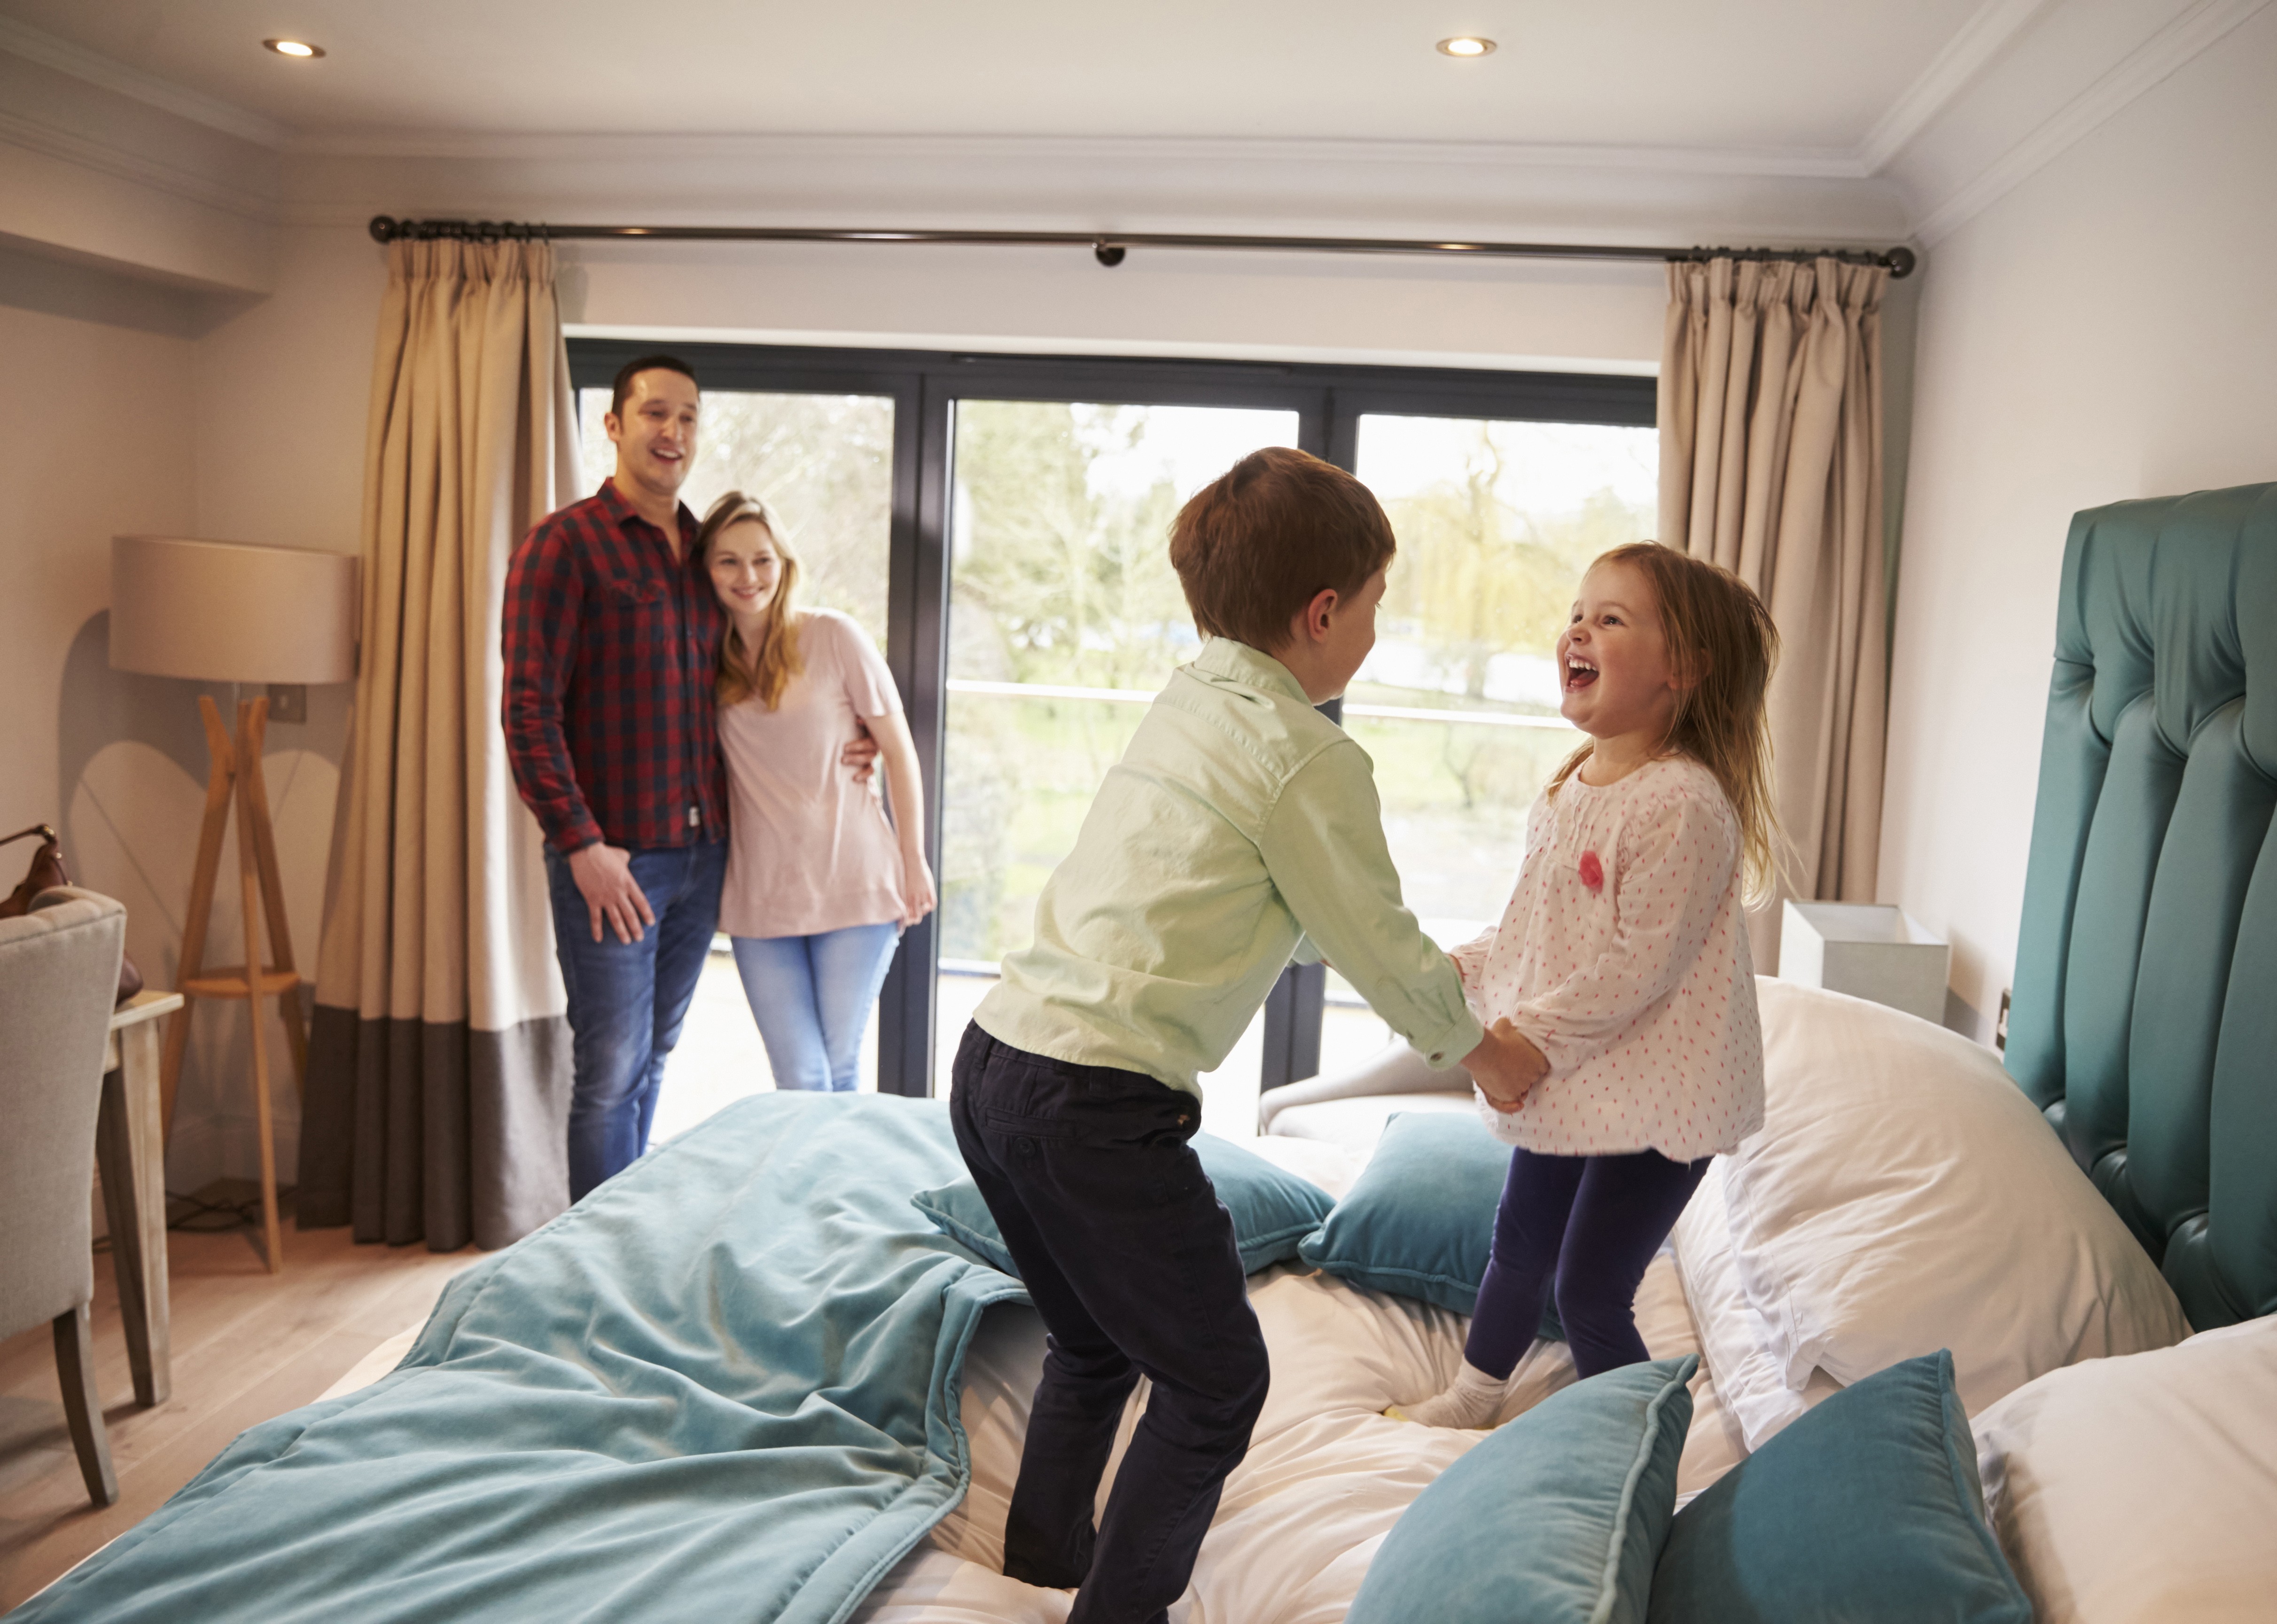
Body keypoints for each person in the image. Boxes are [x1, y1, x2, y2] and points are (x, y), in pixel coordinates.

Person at [949, 446, 1548, 1624]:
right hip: (1092, 1106)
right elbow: (1372, 941)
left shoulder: (1190, 703)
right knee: (1219, 1378)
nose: (1378, 629)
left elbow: (1295, 906)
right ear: (1321, 613)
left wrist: (1448, 967)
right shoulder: (1306, 755)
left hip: (991, 1064)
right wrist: (1488, 1051)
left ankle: (1038, 1572)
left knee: (1090, 1343)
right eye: (1375, 606)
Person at [1393, 542, 1777, 1429]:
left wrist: (1527, 1041)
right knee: (1517, 1245)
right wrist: (1462, 970)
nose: (1577, 628)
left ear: (1680, 667)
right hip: (1586, 1078)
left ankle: (1642, 1445)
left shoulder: (1680, 802)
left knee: (1589, 1287)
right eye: (1576, 613)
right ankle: (1473, 1394)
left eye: (1610, 618)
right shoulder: (1567, 787)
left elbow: (1636, 967)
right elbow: (1535, 930)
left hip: (1665, 1096)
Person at [502, 354, 874, 1202]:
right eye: (655, 415)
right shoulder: (564, 546)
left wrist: (865, 736)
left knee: (656, 1055)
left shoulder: (705, 552)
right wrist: (582, 845)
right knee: (609, 1066)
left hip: (707, 855)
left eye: (688, 418)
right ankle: (591, 1258)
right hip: (615, 862)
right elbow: (528, 712)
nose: (672, 433)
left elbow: (769, 663)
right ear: (614, 425)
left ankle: (631, 1231)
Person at [698, 491, 935, 1092]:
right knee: (799, 1075)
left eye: (763, 559)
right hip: (761, 896)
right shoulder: (702, 658)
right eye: (728, 561)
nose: (748, 577)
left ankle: (836, 1191)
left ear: (784, 564)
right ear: (705, 569)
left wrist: (914, 861)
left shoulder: (833, 637)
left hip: (854, 882)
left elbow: (901, 752)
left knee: (838, 1065)